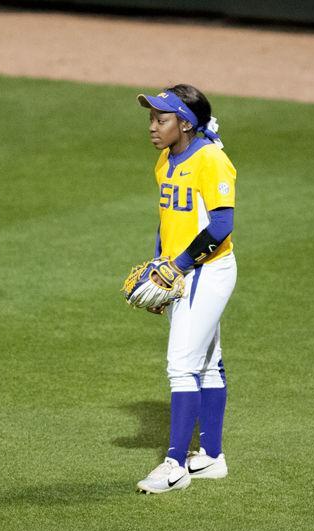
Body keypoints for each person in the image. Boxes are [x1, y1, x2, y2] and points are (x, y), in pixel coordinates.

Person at [135, 84, 237, 494]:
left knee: (181, 365)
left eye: (161, 120)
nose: (153, 127)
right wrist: (159, 268)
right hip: (181, 273)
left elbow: (221, 225)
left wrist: (176, 267)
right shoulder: (165, 160)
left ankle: (175, 464)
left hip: (207, 271)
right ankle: (211, 457)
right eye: (151, 119)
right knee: (208, 364)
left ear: (186, 123)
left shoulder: (212, 160)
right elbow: (167, 219)